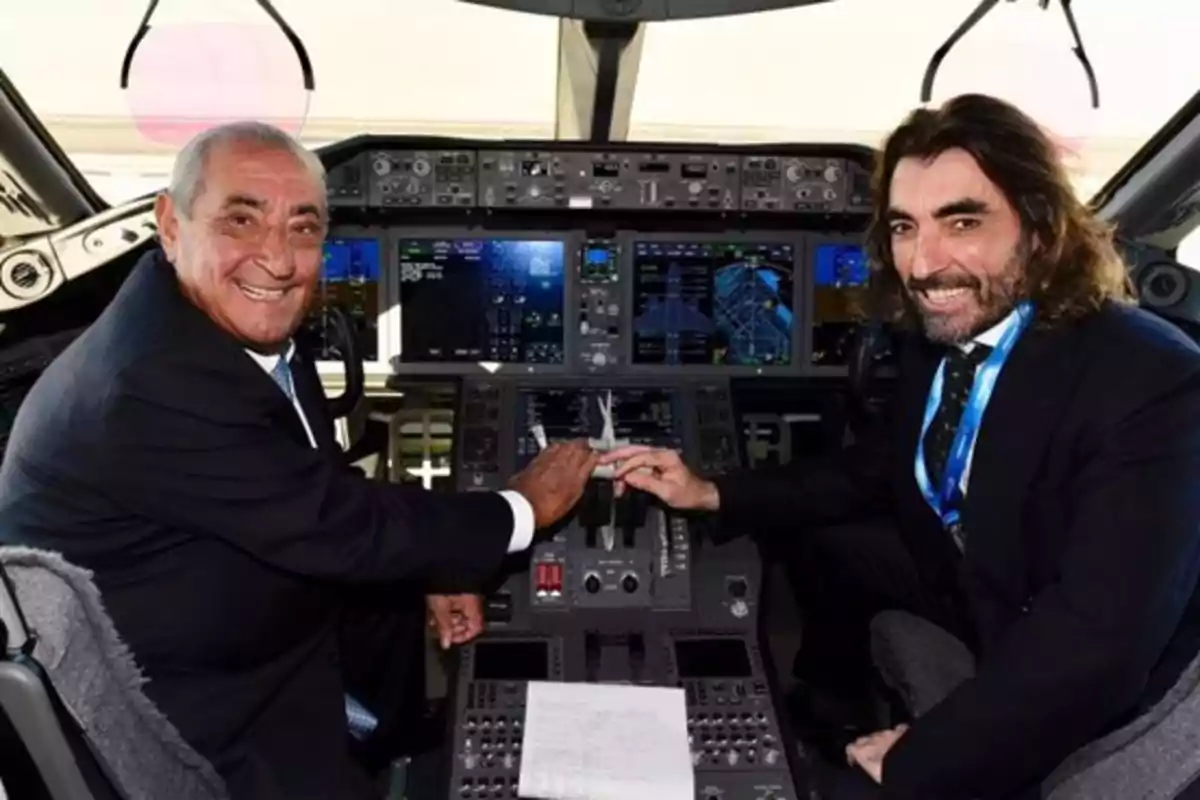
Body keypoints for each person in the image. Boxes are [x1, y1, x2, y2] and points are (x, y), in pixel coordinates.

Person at [601, 94, 1200, 799]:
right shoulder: (945, 338)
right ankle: (828, 702)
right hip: (978, 569)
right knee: (827, 540)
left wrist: (925, 754)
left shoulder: (1151, 381)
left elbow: (1096, 645)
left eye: (963, 222)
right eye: (905, 228)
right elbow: (879, 469)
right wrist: (713, 490)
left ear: (1041, 228)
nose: (924, 264)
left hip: (1099, 665)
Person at [0, 121, 598, 800]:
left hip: (215, 622)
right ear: (170, 223)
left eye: (304, 229)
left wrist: (437, 565)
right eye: (241, 220)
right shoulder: (152, 382)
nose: (278, 261)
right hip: (191, 726)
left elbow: (303, 485)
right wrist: (521, 508)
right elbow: (338, 524)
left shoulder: (220, 328)